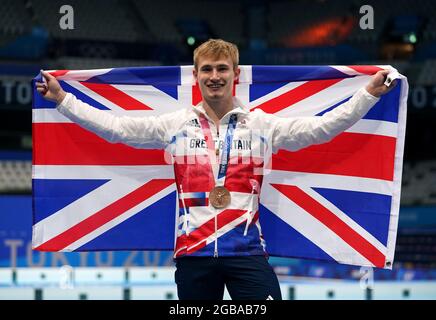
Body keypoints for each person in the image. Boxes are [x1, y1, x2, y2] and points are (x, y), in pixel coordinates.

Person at [36, 39, 396, 300]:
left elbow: (322, 128)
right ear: (195, 75)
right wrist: (63, 100)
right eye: (206, 69)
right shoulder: (175, 124)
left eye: (221, 69)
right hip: (193, 256)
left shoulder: (260, 126)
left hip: (247, 254)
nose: (214, 76)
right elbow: (114, 128)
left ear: (235, 74)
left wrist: (368, 94)